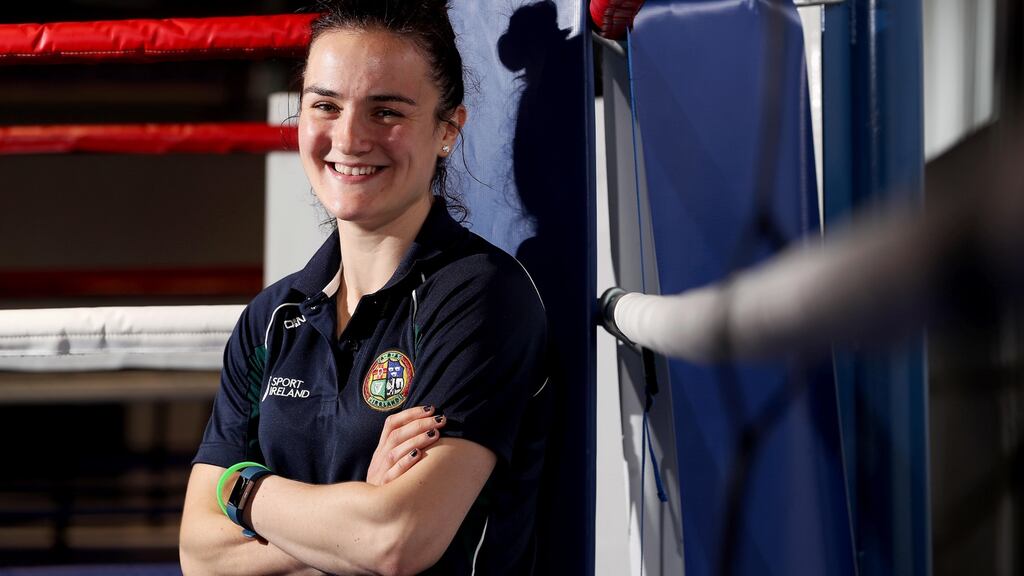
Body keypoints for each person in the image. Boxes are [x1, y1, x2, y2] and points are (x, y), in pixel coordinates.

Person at [178, 1, 549, 574]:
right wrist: (357, 508)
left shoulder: (481, 297)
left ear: (447, 129)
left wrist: (241, 490)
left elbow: (396, 539)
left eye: (386, 112)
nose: (349, 139)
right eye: (325, 105)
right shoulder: (273, 315)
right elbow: (199, 553)